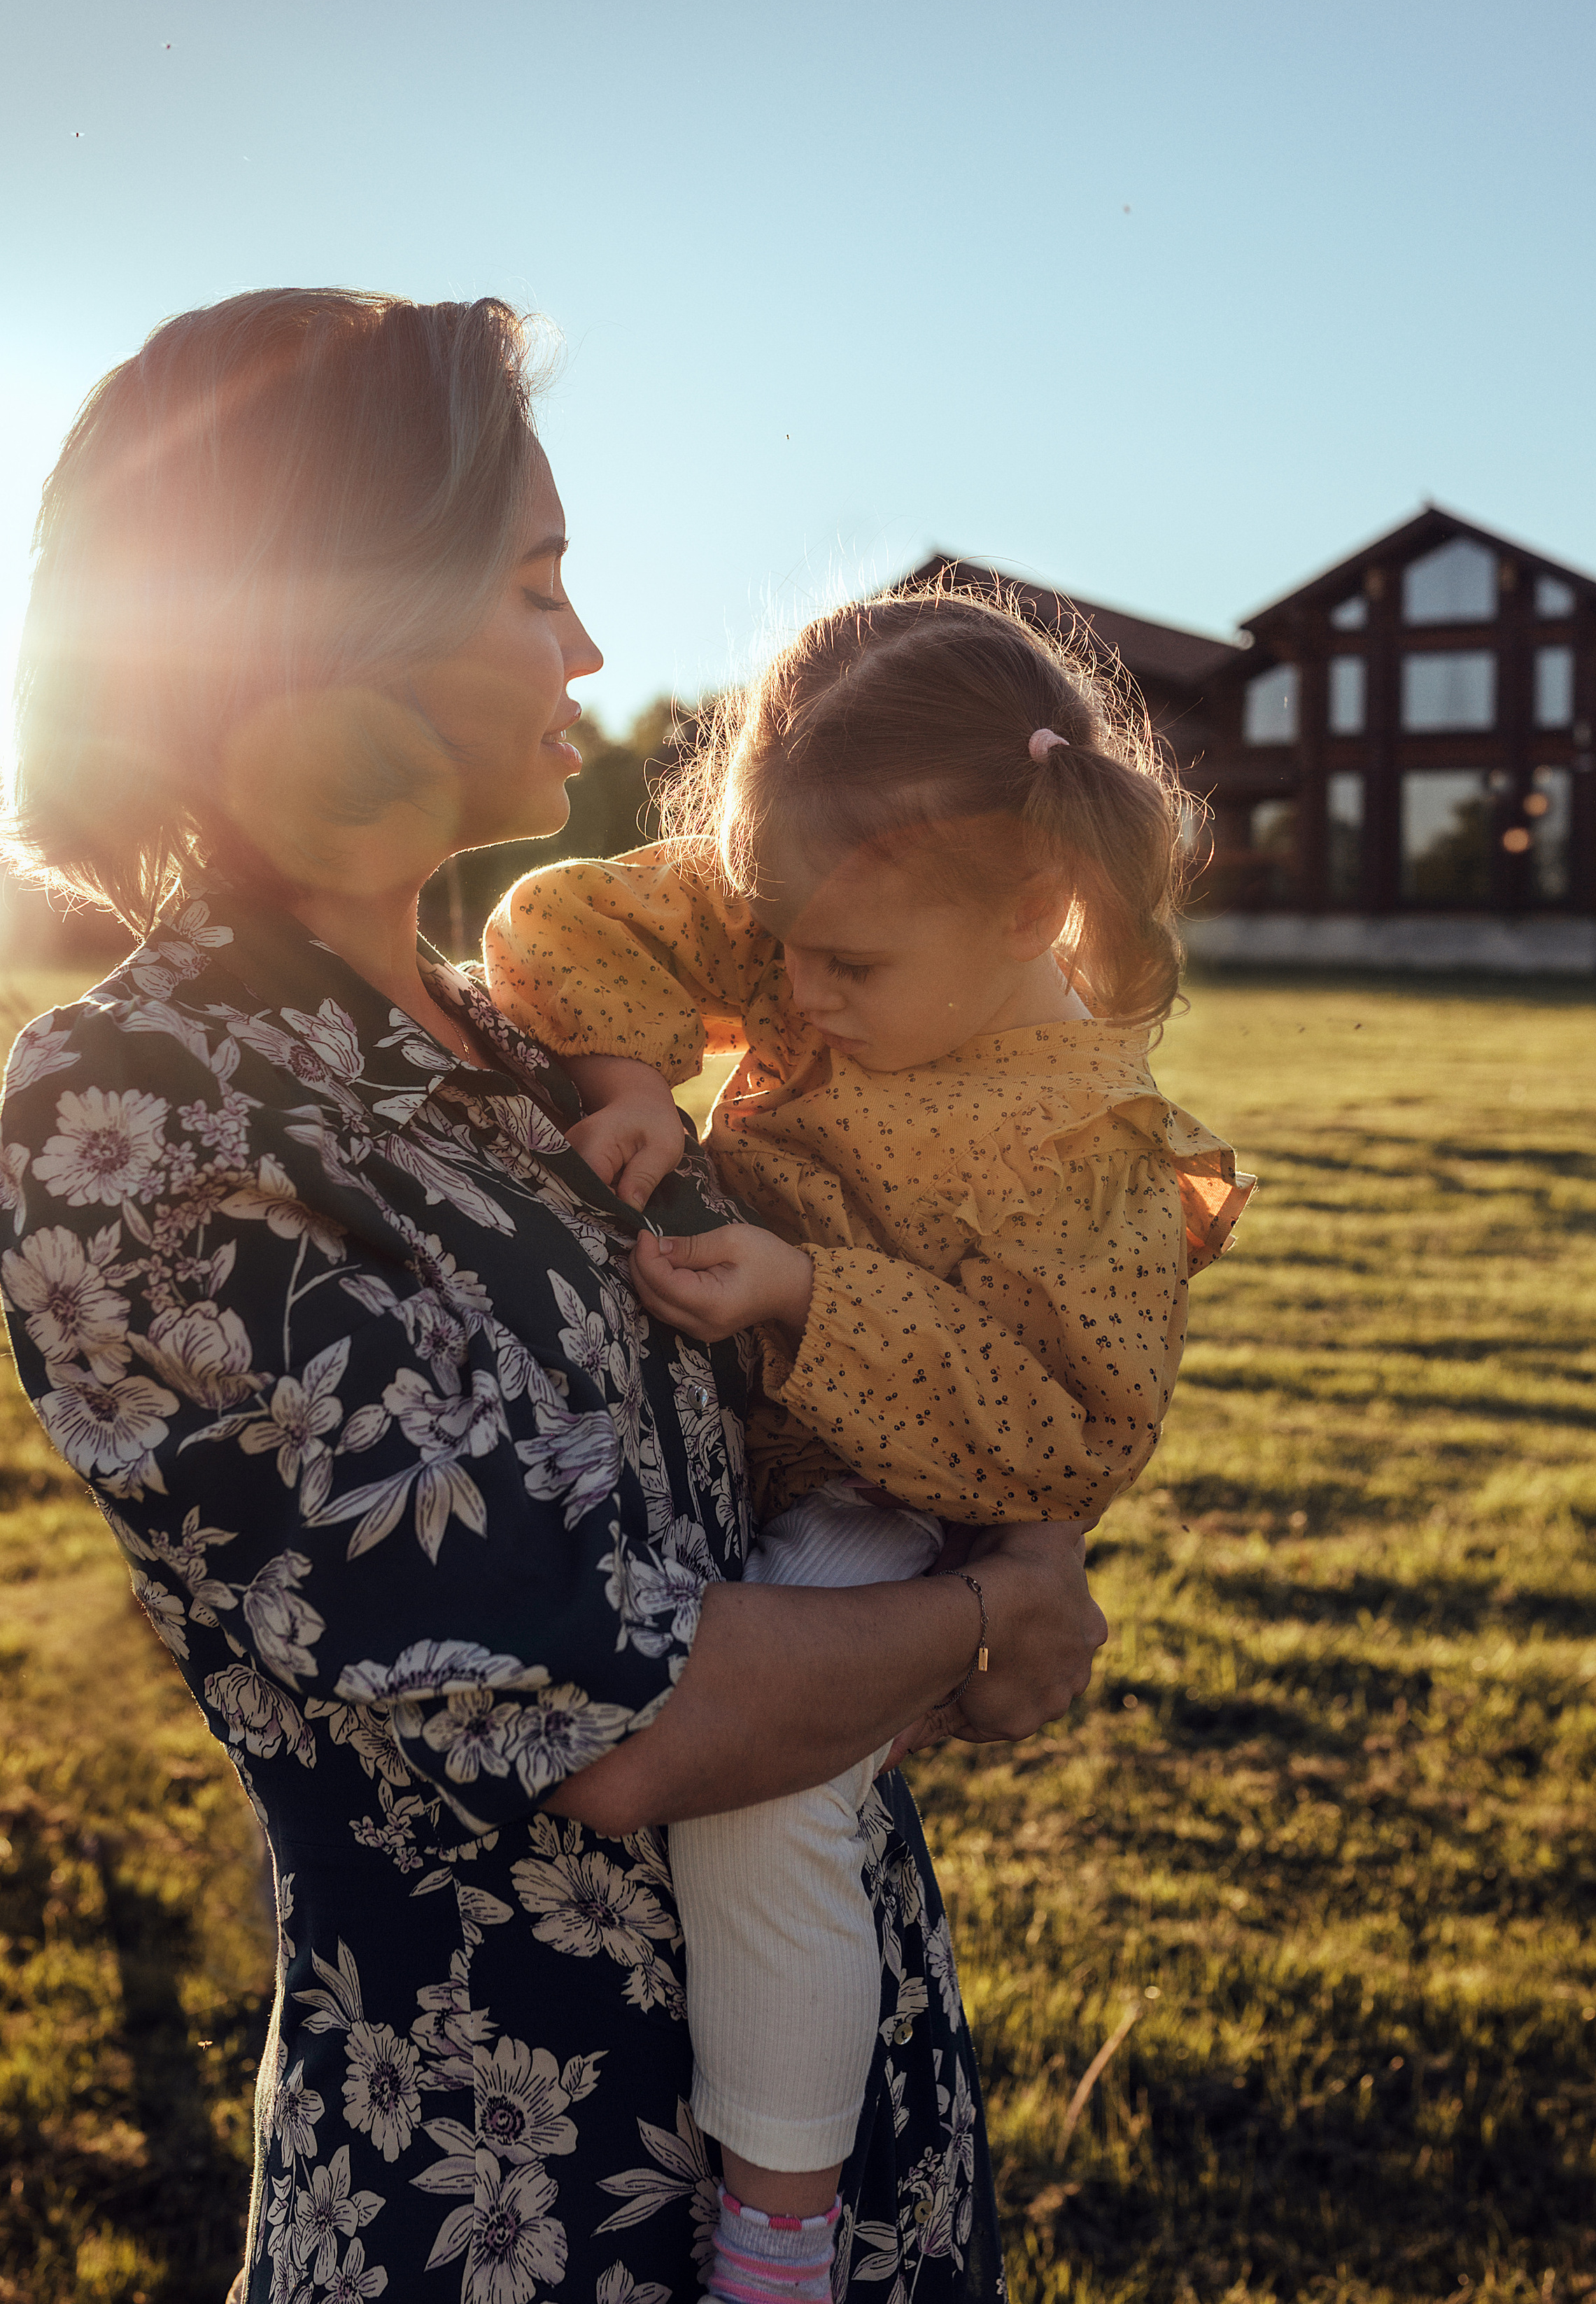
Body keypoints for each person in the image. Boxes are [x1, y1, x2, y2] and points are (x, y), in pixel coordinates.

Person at [0, 290, 1106, 2304]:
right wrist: (993, 1612)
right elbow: (620, 1716)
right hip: (520, 2198)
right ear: (343, 619)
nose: (586, 646)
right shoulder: (142, 1104)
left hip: (858, 2131)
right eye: (532, 583)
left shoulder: (536, 1045)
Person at [484, 590, 1252, 2250]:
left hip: (894, 1495)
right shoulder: (818, 907)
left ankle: (781, 2227)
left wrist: (809, 1298)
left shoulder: (1080, 1147)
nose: (797, 993)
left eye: (850, 967)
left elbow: (1063, 1434)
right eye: (779, 943)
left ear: (1030, 907)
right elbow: (567, 918)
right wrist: (628, 1077)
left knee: (763, 1801)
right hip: (746, 1456)